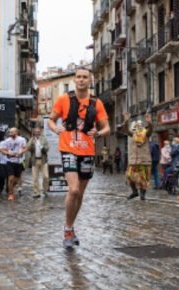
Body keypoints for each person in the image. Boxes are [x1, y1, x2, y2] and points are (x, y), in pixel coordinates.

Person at [47, 67, 110, 250]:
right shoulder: (64, 99)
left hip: (87, 151)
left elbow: (107, 128)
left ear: (90, 81)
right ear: (74, 80)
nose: (81, 80)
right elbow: (52, 119)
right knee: (73, 190)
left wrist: (98, 132)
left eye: (85, 77)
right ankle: (67, 229)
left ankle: (71, 226)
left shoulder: (96, 103)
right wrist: (55, 128)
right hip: (68, 148)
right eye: (78, 77)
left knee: (80, 194)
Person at [123, 113, 153, 201]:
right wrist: (126, 121)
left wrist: (149, 123)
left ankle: (142, 194)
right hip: (133, 161)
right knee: (129, 176)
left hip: (144, 160)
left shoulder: (146, 134)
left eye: (139, 126)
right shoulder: (133, 135)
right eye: (136, 126)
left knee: (143, 179)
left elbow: (150, 130)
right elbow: (126, 130)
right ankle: (134, 192)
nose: (138, 127)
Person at [0, 127, 27, 201]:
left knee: (16, 179)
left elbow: (25, 148)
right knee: (10, 178)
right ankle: (11, 194)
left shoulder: (22, 139)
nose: (10, 133)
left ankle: (10, 187)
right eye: (9, 132)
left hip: (19, 161)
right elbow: (1, 149)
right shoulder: (7, 141)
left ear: (16, 132)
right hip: (10, 161)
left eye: (12, 132)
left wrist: (21, 152)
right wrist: (8, 153)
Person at [26, 127, 50, 198]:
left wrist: (43, 147)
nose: (37, 133)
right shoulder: (32, 139)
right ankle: (36, 192)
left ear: (40, 132)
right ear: (34, 132)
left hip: (43, 160)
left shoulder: (44, 139)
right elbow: (28, 148)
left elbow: (47, 148)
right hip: (35, 160)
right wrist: (32, 141)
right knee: (35, 177)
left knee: (46, 176)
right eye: (35, 132)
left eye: (38, 131)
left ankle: (45, 190)